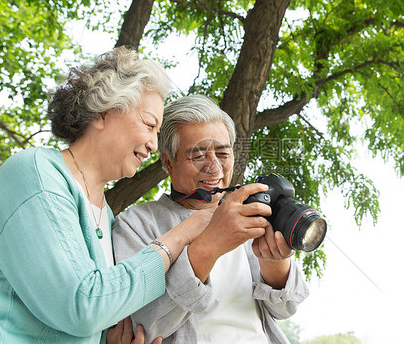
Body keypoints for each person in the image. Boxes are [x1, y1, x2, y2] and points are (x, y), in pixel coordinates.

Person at [0, 47, 211, 343]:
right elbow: (83, 306)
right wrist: (177, 237)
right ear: (104, 112)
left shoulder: (104, 214)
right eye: (149, 125)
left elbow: (86, 315)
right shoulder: (36, 174)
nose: (153, 144)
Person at [113, 95, 310, 344]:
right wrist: (210, 246)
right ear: (168, 162)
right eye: (198, 156)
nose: (214, 167)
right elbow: (138, 327)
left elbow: (285, 309)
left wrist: (274, 262)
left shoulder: (248, 212)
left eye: (222, 153)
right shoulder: (136, 224)